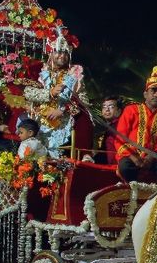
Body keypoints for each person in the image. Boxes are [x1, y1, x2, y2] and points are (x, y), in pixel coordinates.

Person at [116, 66, 157, 183]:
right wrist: (133, 157)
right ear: (145, 94)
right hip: (131, 156)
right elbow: (120, 138)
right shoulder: (131, 110)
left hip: (154, 158)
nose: (156, 95)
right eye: (153, 91)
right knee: (125, 168)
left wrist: (151, 157)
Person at [35, 28, 84, 157]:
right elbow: (31, 95)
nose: (62, 56)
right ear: (51, 53)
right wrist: (49, 93)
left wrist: (63, 110)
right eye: (58, 52)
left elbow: (83, 101)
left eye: (65, 53)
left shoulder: (75, 75)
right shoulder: (41, 74)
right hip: (41, 120)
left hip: (64, 121)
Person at [92, 97, 124, 164]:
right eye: (104, 107)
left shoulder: (121, 126)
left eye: (111, 107)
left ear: (119, 111)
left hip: (117, 168)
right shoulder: (109, 128)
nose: (107, 109)